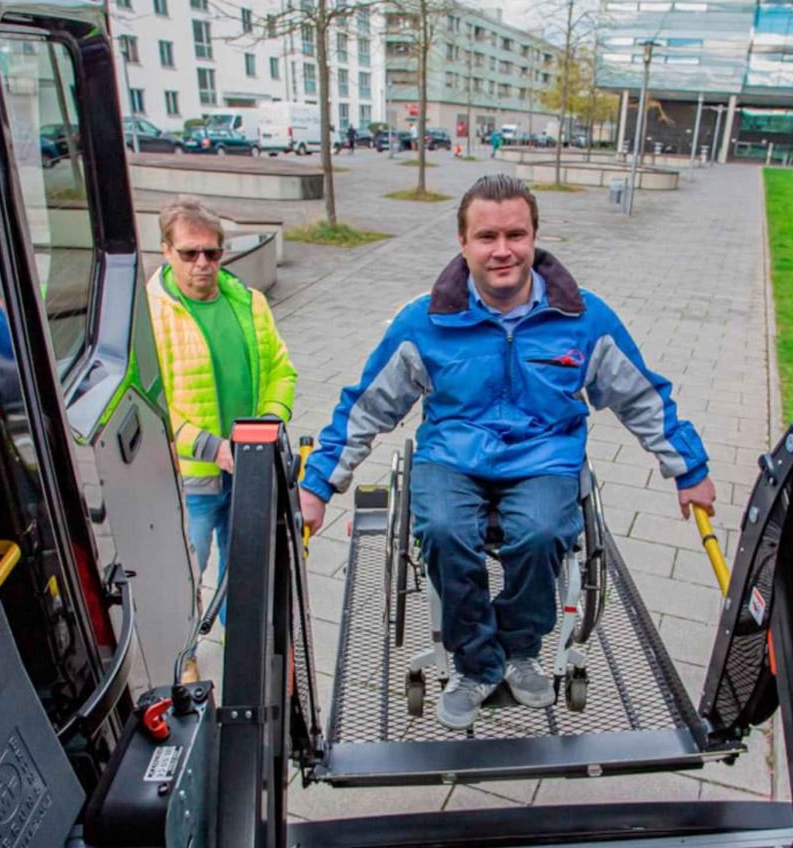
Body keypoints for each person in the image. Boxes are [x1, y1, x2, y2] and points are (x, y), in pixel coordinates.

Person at [299, 175, 715, 729]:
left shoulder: (585, 320)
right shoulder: (423, 322)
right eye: (486, 236)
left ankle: (520, 648)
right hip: (452, 455)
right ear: (463, 242)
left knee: (542, 533)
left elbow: (642, 395)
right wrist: (319, 482)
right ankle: (478, 663)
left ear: (534, 237)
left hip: (544, 456)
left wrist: (688, 468)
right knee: (444, 531)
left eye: (515, 234)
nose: (502, 250)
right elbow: (368, 404)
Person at [148, 197, 297, 682]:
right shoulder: (150, 316)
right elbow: (148, 404)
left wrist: (267, 428)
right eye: (190, 253)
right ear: (166, 250)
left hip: (250, 466)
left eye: (212, 253)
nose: (203, 264)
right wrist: (211, 447)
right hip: (192, 478)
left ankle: (242, 643)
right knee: (185, 573)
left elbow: (281, 370)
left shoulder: (248, 302)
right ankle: (183, 652)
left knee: (244, 564)